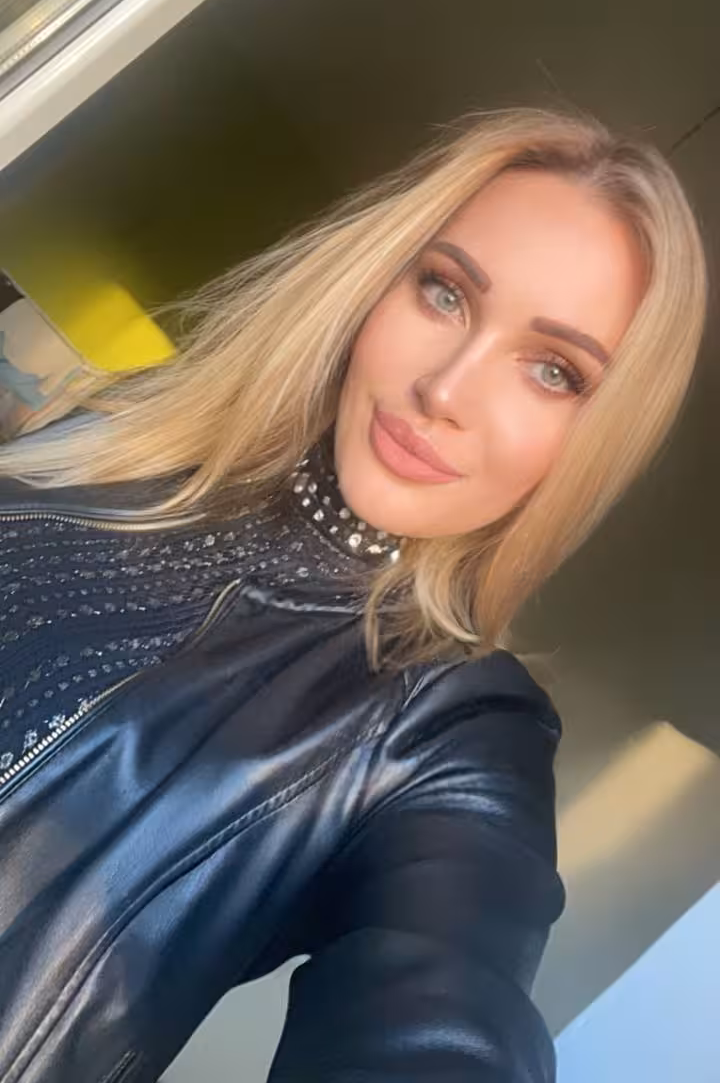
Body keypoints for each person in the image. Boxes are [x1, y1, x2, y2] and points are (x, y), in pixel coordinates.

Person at [0, 109, 706, 1083]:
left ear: (598, 441)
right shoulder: (115, 436)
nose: (446, 389)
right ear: (376, 279)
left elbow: (442, 1013)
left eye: (554, 371)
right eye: (445, 292)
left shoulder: (451, 729)